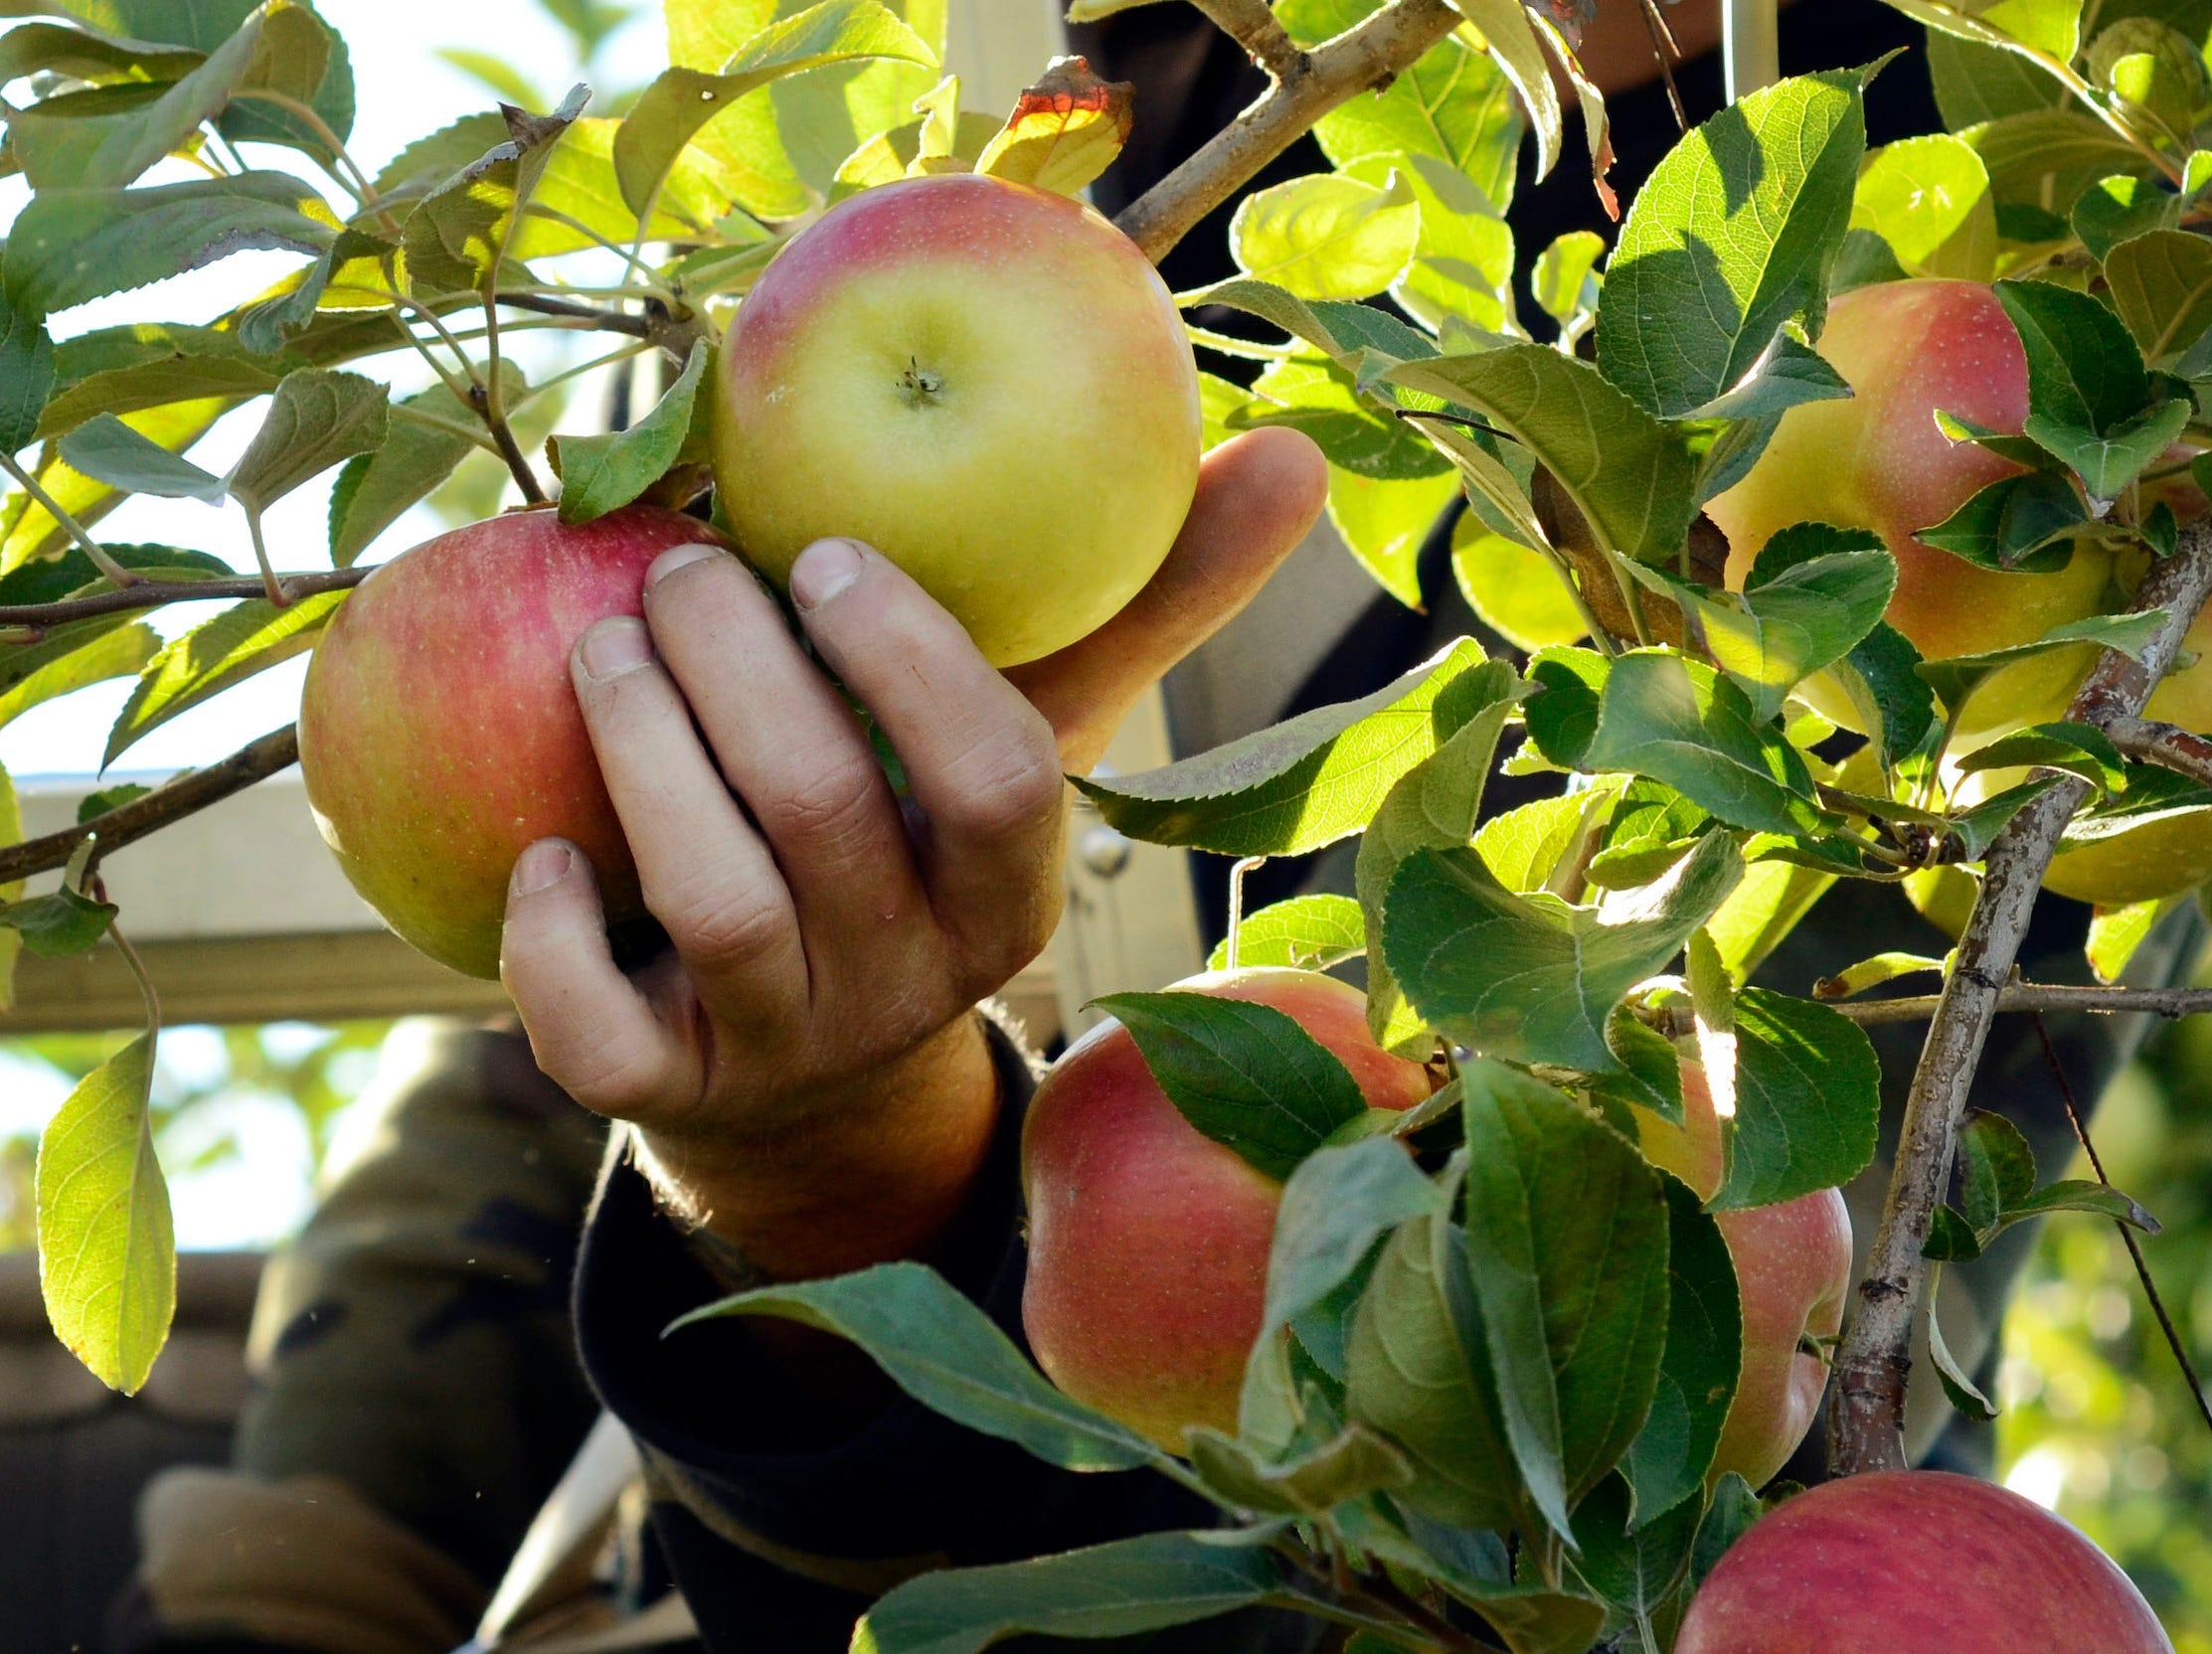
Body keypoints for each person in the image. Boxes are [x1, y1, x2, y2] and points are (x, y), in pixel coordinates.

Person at [111, 5, 2205, 1651]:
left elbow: (1617, 1381)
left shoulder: (2059, 351)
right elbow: (522, 1063)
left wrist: (853, 1181)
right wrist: (293, 1574)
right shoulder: (1034, 131)